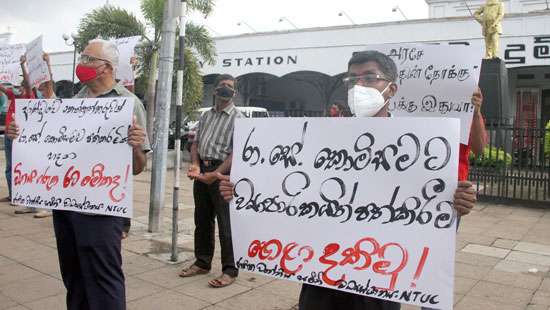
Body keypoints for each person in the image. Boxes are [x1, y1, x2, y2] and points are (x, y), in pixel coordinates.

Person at [218, 51, 478, 310]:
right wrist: (242, 192)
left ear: (392, 88)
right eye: (352, 80)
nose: (358, 87)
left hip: (378, 279)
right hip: (320, 274)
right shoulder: (323, 136)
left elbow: (428, 202)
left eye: (369, 78)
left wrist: (457, 202)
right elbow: (287, 188)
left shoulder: (418, 144)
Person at [7, 38, 149, 310]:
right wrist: (20, 134)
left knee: (103, 279)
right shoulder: (75, 101)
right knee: (74, 277)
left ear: (106, 67)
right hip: (66, 206)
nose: (81, 64)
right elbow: (49, 140)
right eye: (82, 58)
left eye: (87, 59)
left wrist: (135, 147)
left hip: (102, 210)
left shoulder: (128, 104)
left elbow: (139, 167)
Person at [178, 74, 242, 288]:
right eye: (222, 85)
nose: (226, 89)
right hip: (202, 170)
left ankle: (230, 270)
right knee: (202, 220)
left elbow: (237, 152)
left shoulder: (238, 118)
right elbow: (195, 142)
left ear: (235, 93)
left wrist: (216, 174)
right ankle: (202, 262)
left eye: (230, 87)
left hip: (223, 174)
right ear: (215, 90)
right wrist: (196, 165)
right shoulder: (206, 116)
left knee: (226, 224)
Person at [0, 55, 36, 211]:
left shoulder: (29, 96)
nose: (18, 89)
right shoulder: (13, 96)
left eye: (20, 87)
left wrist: (23, 66)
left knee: (22, 166)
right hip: (10, 135)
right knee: (9, 167)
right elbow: (1, 87)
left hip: (22, 137)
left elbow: (28, 84)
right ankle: (13, 194)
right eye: (18, 88)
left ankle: (23, 195)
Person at [33, 52, 58, 219]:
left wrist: (47, 64)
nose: (41, 89)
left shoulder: (52, 101)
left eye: (43, 87)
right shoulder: (37, 102)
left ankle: (49, 206)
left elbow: (48, 84)